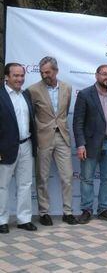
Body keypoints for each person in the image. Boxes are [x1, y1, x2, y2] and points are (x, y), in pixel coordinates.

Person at [28, 57, 77, 226]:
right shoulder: (33, 90)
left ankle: (68, 212)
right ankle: (44, 212)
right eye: (42, 72)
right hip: (43, 138)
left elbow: (63, 114)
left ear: (55, 71)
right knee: (42, 176)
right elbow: (31, 115)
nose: (44, 75)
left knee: (68, 176)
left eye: (47, 72)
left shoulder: (67, 88)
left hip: (62, 136)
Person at [73, 64, 107, 224]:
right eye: (104, 74)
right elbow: (78, 122)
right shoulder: (85, 94)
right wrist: (80, 145)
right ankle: (86, 210)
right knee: (87, 178)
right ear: (96, 75)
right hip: (90, 144)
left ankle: (104, 209)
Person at [0, 63, 38, 233]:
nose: (20, 79)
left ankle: (24, 219)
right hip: (5, 147)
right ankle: (1, 220)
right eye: (15, 75)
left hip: (26, 145)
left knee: (25, 184)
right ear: (6, 77)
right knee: (2, 186)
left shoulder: (26, 95)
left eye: (22, 75)